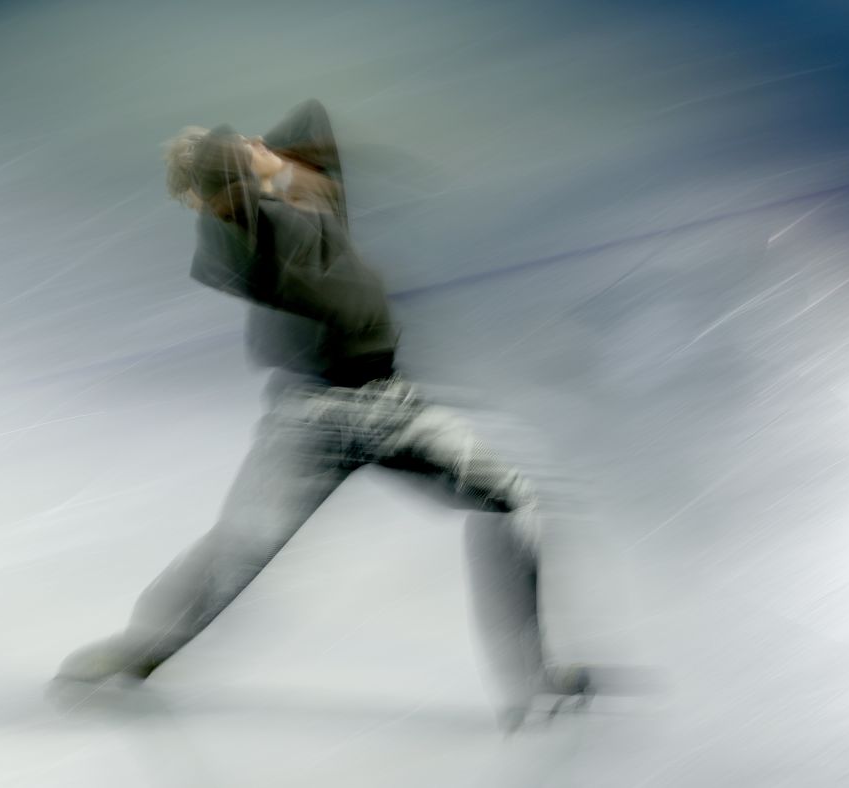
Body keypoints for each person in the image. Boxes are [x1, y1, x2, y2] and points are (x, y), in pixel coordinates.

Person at [54, 99, 591, 730]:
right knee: (239, 555)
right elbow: (232, 179)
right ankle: (138, 655)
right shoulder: (245, 237)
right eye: (245, 151)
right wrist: (230, 166)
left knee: (514, 500)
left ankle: (538, 681)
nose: (260, 141)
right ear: (230, 187)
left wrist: (262, 160)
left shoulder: (314, 194)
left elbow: (309, 127)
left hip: (394, 403)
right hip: (315, 422)